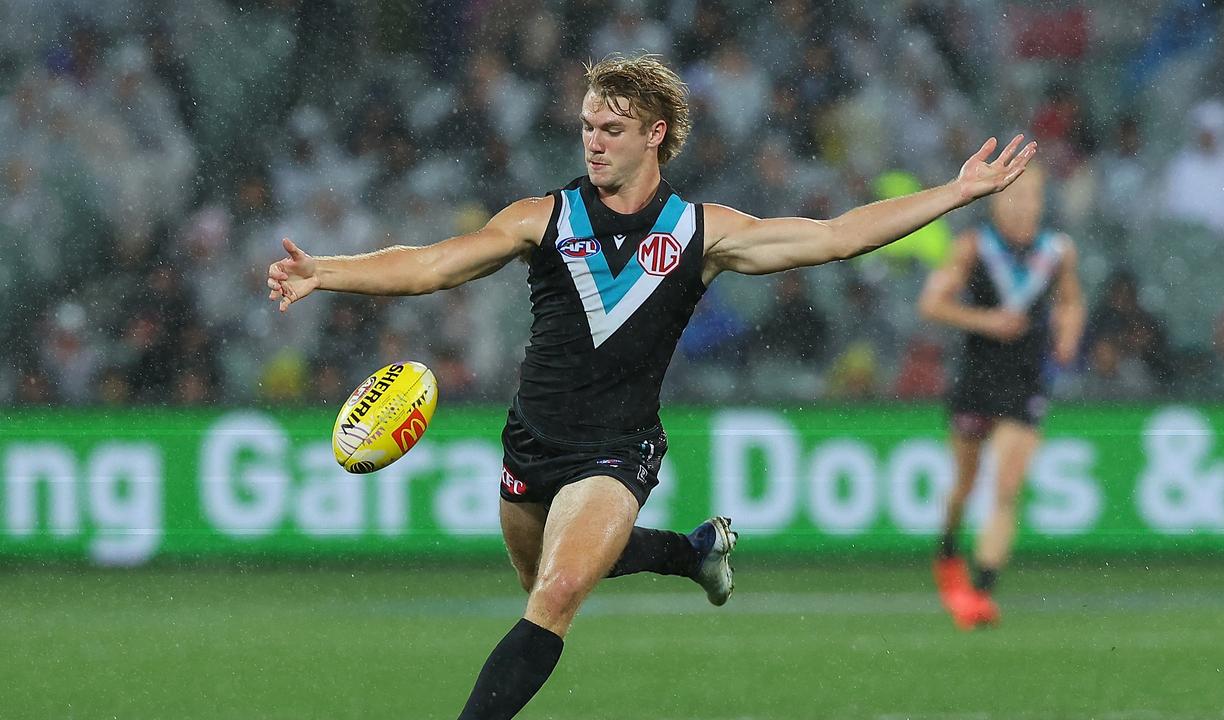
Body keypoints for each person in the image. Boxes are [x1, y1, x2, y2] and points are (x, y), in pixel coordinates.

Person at [266, 54, 1035, 718]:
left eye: (612, 130)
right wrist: (324, 272)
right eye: (587, 128)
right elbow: (434, 264)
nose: (593, 143)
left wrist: (955, 193)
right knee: (547, 577)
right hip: (532, 442)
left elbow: (834, 238)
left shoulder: (703, 232)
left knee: (559, 592)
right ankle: (690, 553)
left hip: (617, 448)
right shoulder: (545, 217)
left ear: (655, 134)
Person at [917, 163, 1083, 631]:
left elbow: (1070, 299)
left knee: (1007, 487)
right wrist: (986, 321)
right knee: (966, 485)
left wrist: (1068, 334)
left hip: (1027, 379)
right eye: (1014, 196)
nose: (1022, 205)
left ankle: (980, 592)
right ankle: (948, 546)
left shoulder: (1057, 250)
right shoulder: (973, 247)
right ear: (996, 201)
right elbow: (931, 304)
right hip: (978, 377)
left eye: (1031, 197)